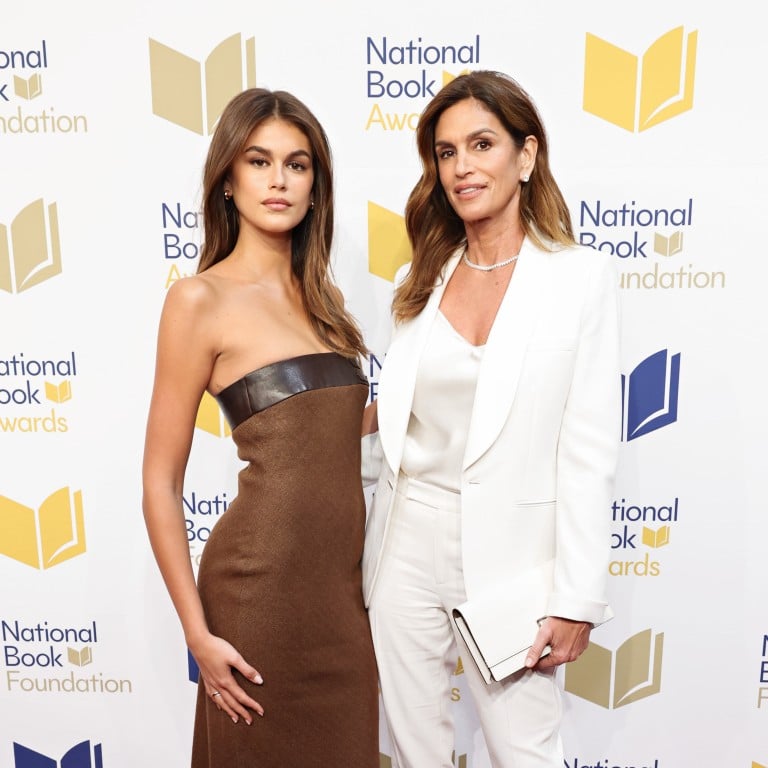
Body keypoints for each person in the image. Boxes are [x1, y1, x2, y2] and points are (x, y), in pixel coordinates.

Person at [361, 70, 621, 767]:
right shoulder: (416, 281)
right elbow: (391, 422)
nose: (462, 167)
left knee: (524, 751)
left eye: (481, 144)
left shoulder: (579, 278)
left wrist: (577, 598)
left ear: (526, 156)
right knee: (415, 749)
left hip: (513, 556)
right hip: (406, 541)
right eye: (446, 152)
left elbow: (590, 449)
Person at [142, 88, 378, 768]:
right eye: (259, 160)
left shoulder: (325, 304)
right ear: (228, 180)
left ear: (315, 186)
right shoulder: (198, 300)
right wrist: (197, 634)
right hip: (258, 592)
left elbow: (322, 439)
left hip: (342, 597)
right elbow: (160, 480)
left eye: (297, 164)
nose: (278, 180)